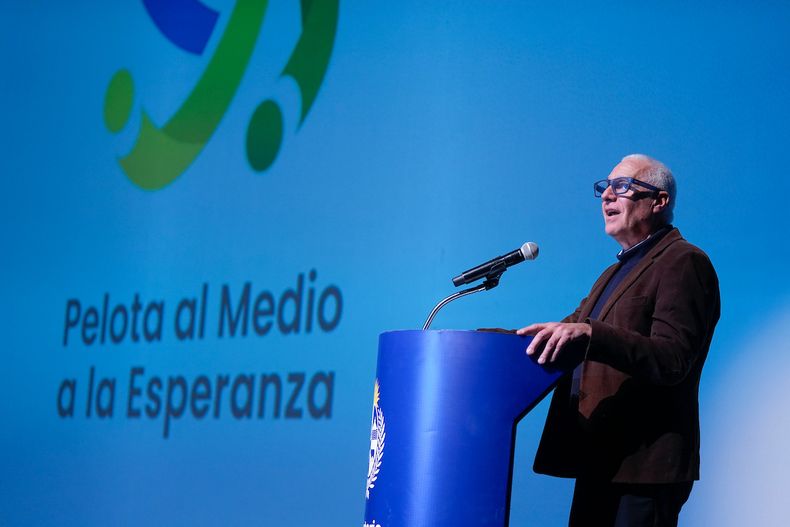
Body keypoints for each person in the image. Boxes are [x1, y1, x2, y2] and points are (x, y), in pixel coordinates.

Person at [517, 154, 720, 526]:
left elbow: (673, 358)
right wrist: (478, 342)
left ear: (658, 202)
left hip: (642, 467)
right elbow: (561, 333)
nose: (607, 196)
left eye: (622, 187)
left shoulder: (684, 262)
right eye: (604, 188)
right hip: (598, 459)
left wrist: (593, 333)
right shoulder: (613, 273)